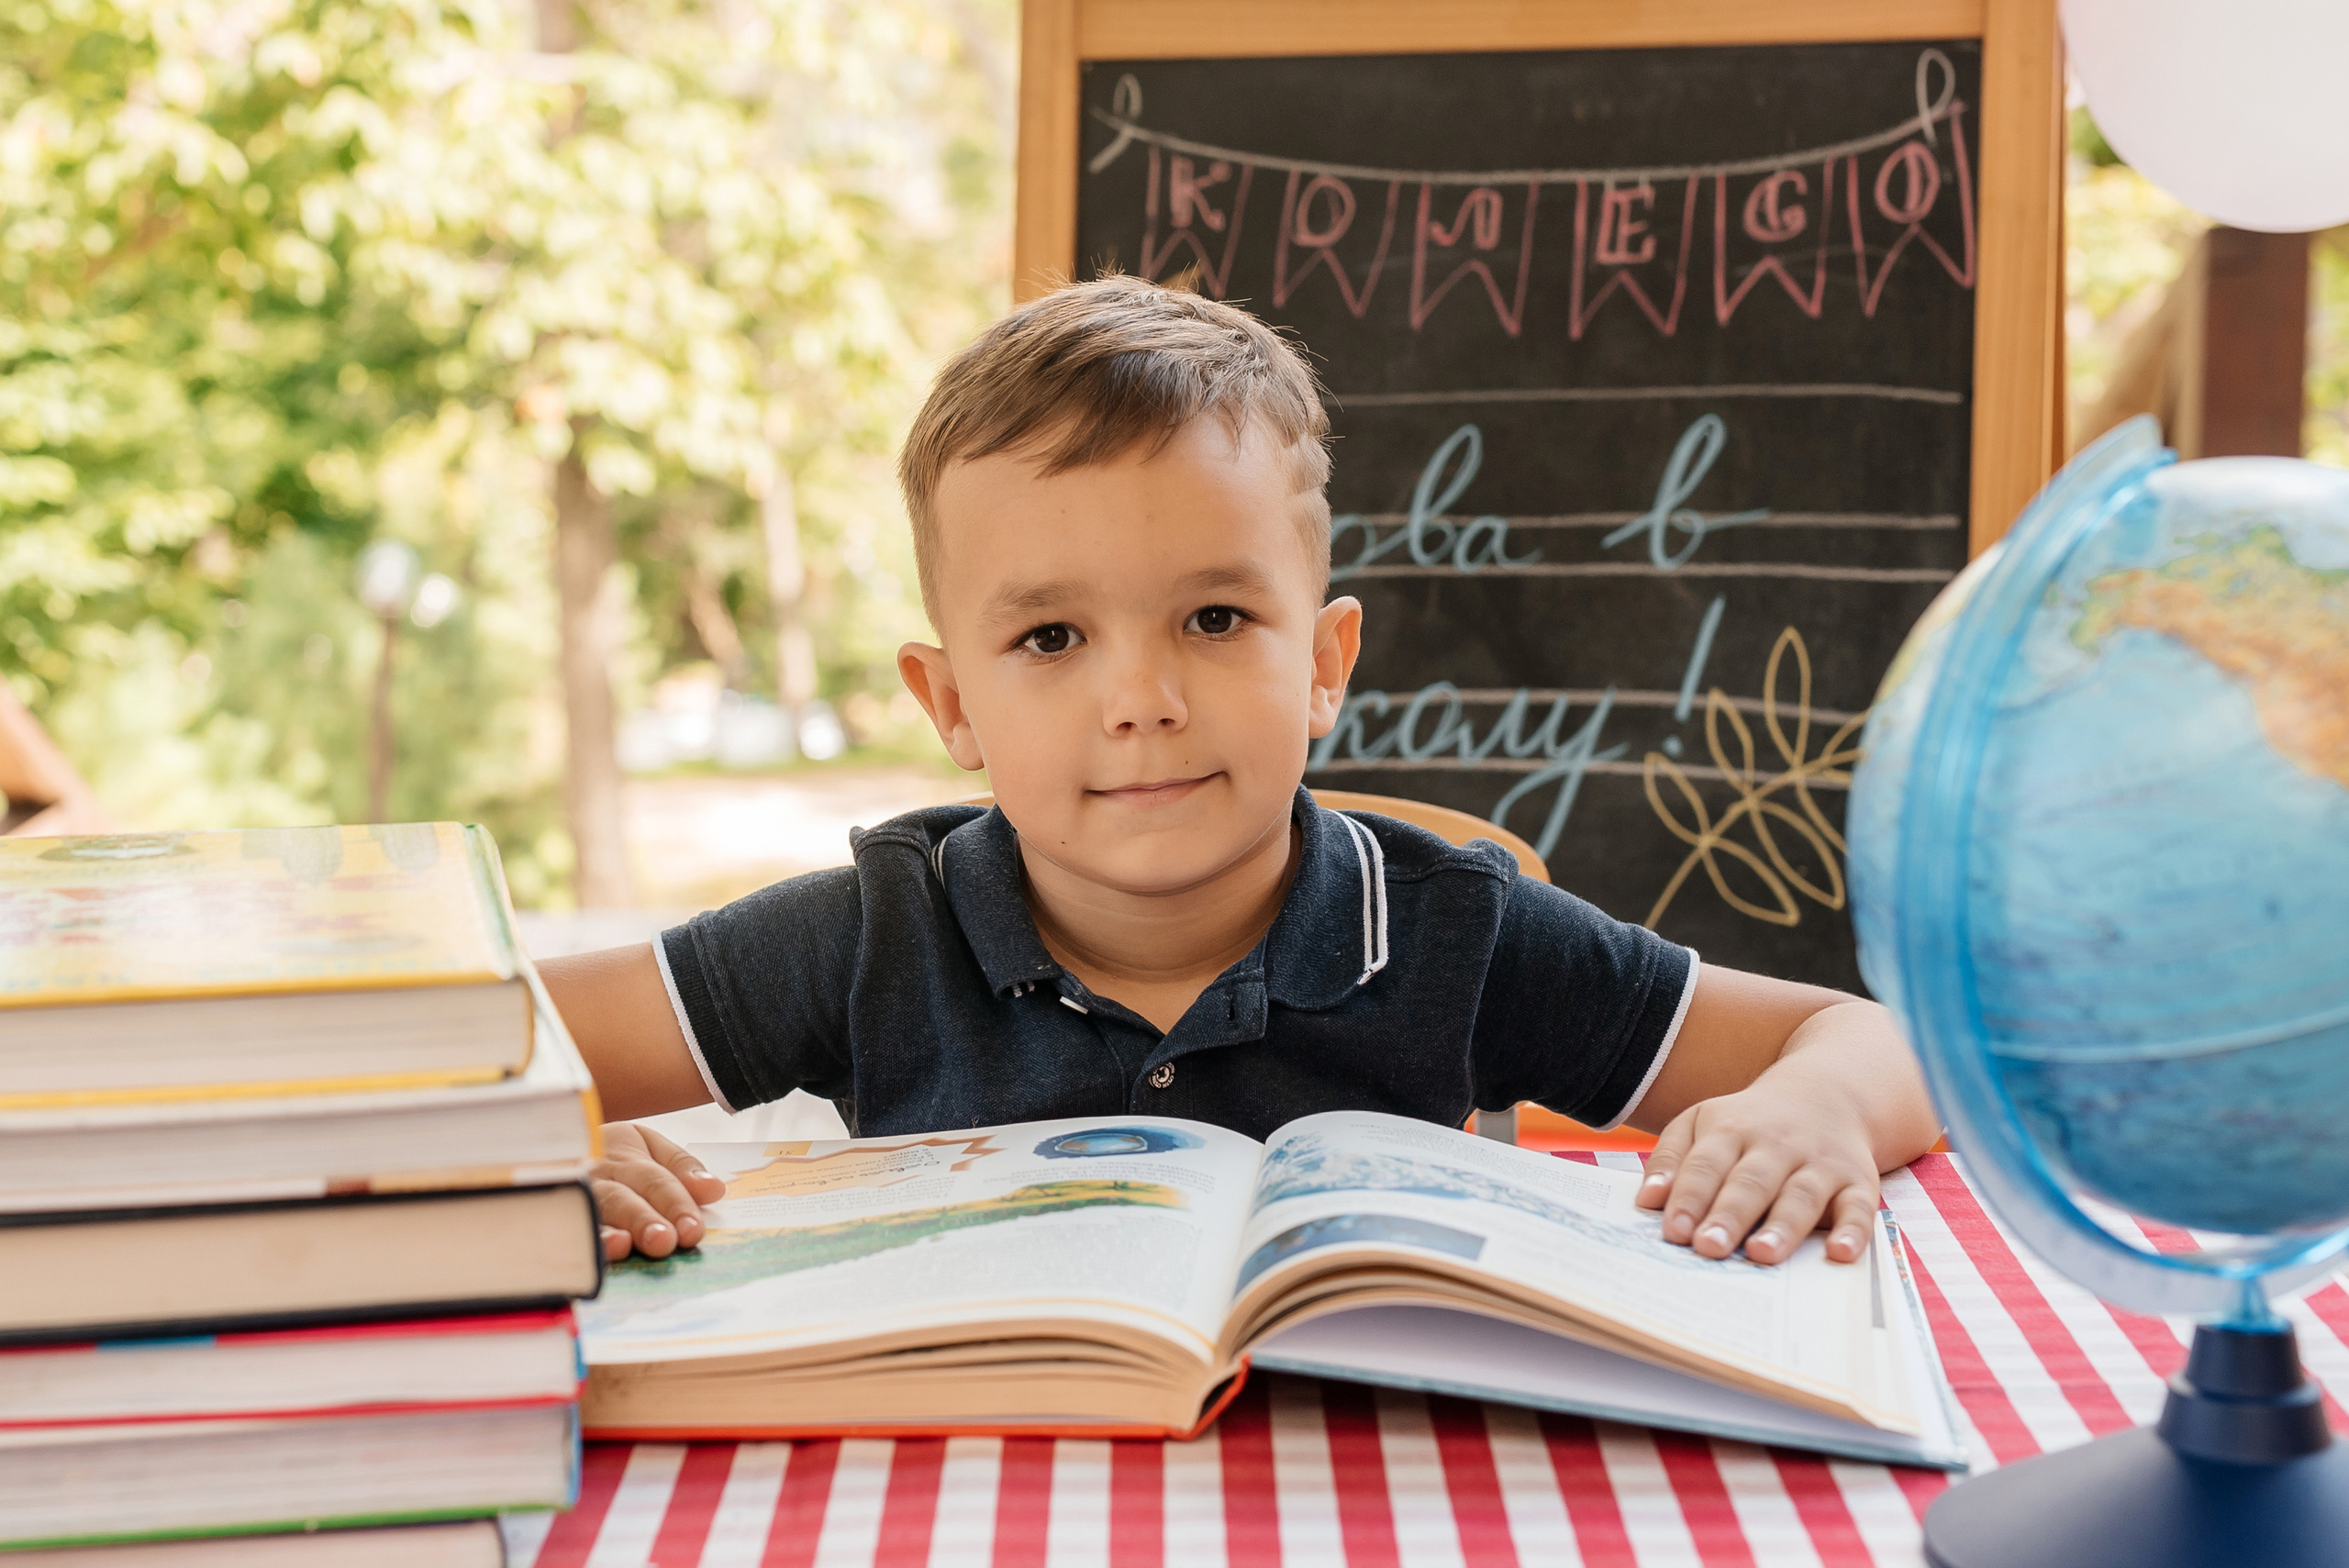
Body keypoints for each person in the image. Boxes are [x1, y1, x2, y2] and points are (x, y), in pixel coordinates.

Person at [542, 276, 1938, 1271]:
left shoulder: (1456, 928)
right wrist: (512, 1152)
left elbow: (1884, 1044)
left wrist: (1810, 1104)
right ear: (952, 700)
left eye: (1215, 618)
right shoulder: (869, 933)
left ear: (1324, 662)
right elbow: (462, 1052)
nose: (1142, 700)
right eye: (1051, 636)